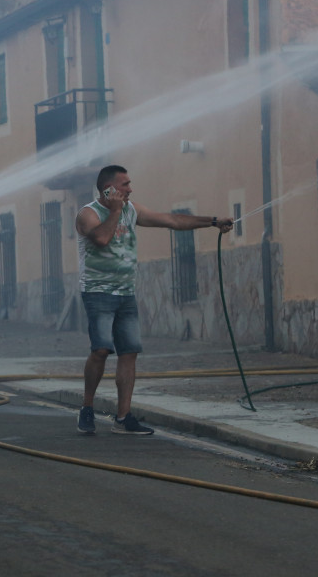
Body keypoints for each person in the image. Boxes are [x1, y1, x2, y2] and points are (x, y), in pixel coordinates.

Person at [75, 165, 233, 435]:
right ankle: (87, 407)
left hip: (126, 292)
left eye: (129, 184)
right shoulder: (87, 214)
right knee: (101, 350)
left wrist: (212, 221)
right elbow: (101, 238)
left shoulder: (132, 210)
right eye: (124, 185)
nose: (130, 189)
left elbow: (171, 220)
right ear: (108, 189)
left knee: (129, 352)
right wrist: (114, 211)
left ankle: (123, 418)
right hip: (98, 292)